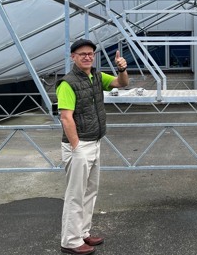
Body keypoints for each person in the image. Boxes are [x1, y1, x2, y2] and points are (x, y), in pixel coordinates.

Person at [57, 39, 129, 255]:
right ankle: (70, 241)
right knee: (75, 195)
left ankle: (82, 232)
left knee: (90, 192)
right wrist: (76, 147)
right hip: (79, 146)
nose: (87, 57)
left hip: (95, 141)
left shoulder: (96, 77)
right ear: (73, 57)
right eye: (82, 54)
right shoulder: (67, 83)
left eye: (90, 54)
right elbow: (66, 118)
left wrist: (122, 69)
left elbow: (122, 83)